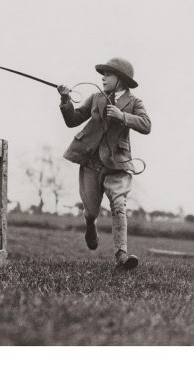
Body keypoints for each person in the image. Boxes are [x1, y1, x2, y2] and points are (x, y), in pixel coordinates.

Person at [57, 57, 151, 270]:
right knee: (91, 211)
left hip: (117, 165)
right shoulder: (96, 98)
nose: (103, 77)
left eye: (108, 74)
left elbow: (146, 125)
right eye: (103, 74)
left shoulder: (135, 103)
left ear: (121, 79)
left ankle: (121, 255)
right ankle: (90, 224)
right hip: (90, 162)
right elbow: (73, 120)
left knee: (119, 205)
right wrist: (65, 100)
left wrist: (122, 116)